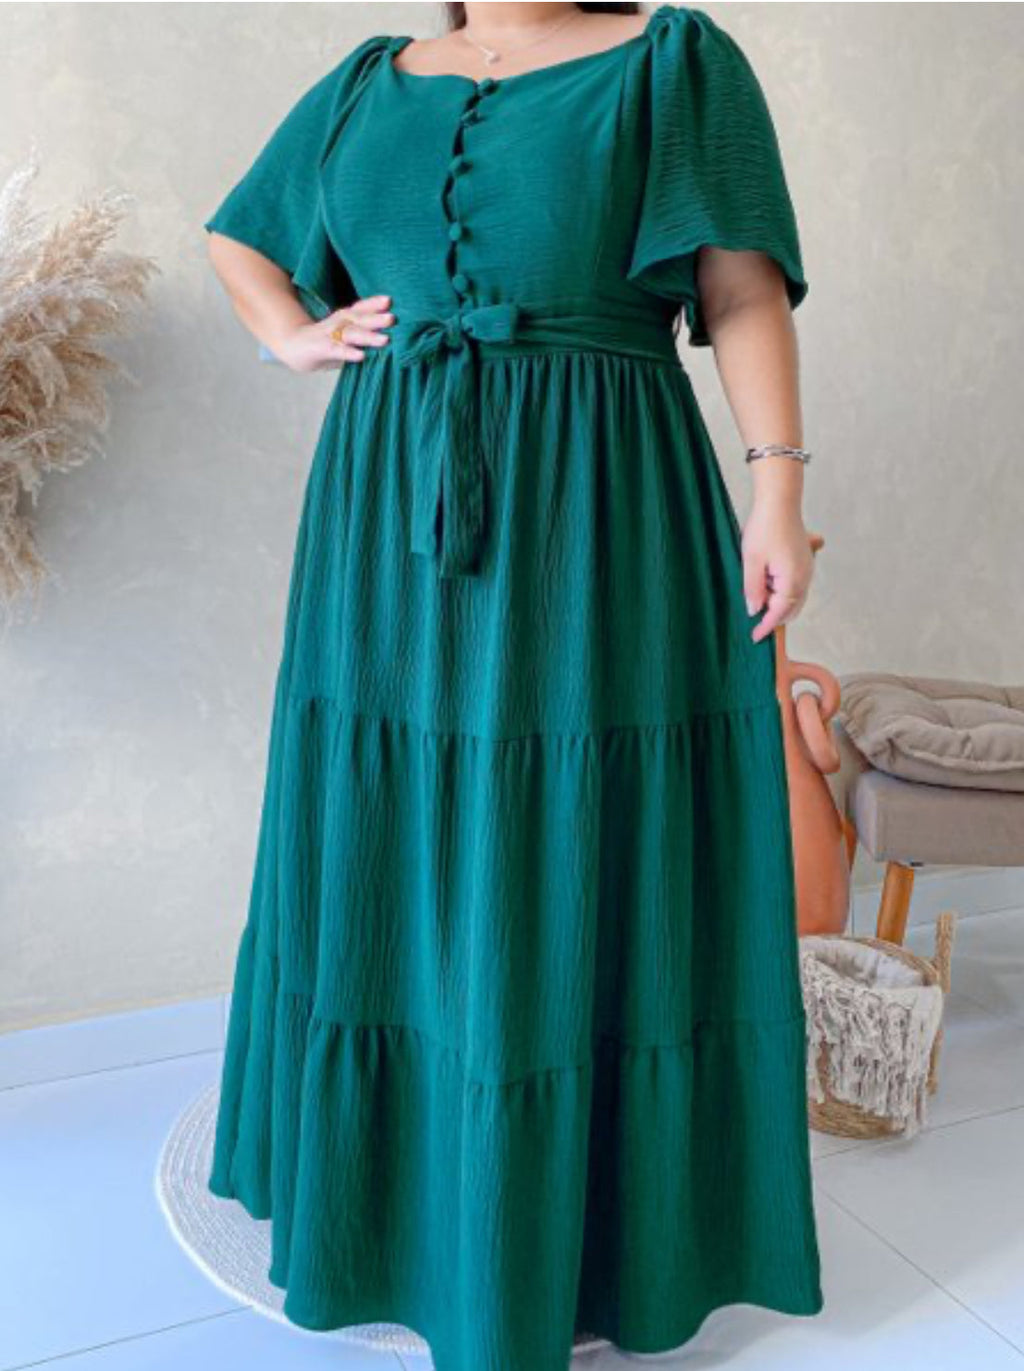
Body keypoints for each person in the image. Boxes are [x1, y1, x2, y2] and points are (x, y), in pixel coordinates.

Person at [202, 4, 824, 1368]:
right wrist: (291, 335)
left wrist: (776, 489)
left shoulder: (672, 59)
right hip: (386, 504)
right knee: (388, 829)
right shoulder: (367, 80)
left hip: (598, 504)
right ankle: (391, 1198)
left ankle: (575, 1231)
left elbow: (738, 292)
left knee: (574, 830)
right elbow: (240, 236)